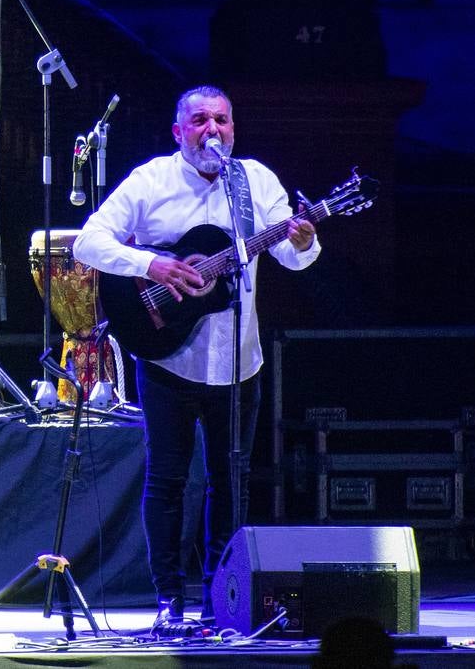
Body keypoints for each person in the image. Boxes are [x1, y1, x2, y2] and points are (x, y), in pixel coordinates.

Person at [73, 86, 319, 626]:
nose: (213, 129)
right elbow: (87, 243)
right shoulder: (151, 180)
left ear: (234, 129)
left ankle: (221, 598)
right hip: (165, 355)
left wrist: (301, 239)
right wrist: (150, 266)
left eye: (223, 121)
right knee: (167, 480)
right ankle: (168, 601)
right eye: (200, 120)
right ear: (179, 131)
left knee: (229, 480)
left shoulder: (254, 182)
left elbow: (291, 256)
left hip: (237, 360)